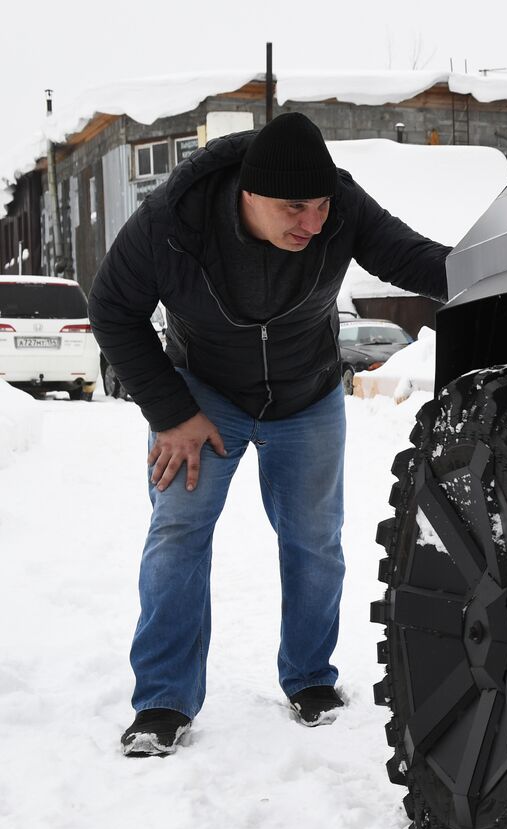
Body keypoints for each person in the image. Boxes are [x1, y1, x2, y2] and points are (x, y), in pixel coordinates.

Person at [89, 112, 451, 757]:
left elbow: (413, 257)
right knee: (178, 532)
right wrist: (171, 413)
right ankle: (163, 701)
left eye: (320, 207)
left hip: (306, 393)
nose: (312, 224)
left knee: (314, 540)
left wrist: (500, 272)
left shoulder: (339, 206)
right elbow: (113, 308)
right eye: (294, 208)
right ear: (247, 194)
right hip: (201, 392)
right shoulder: (174, 219)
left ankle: (311, 680)